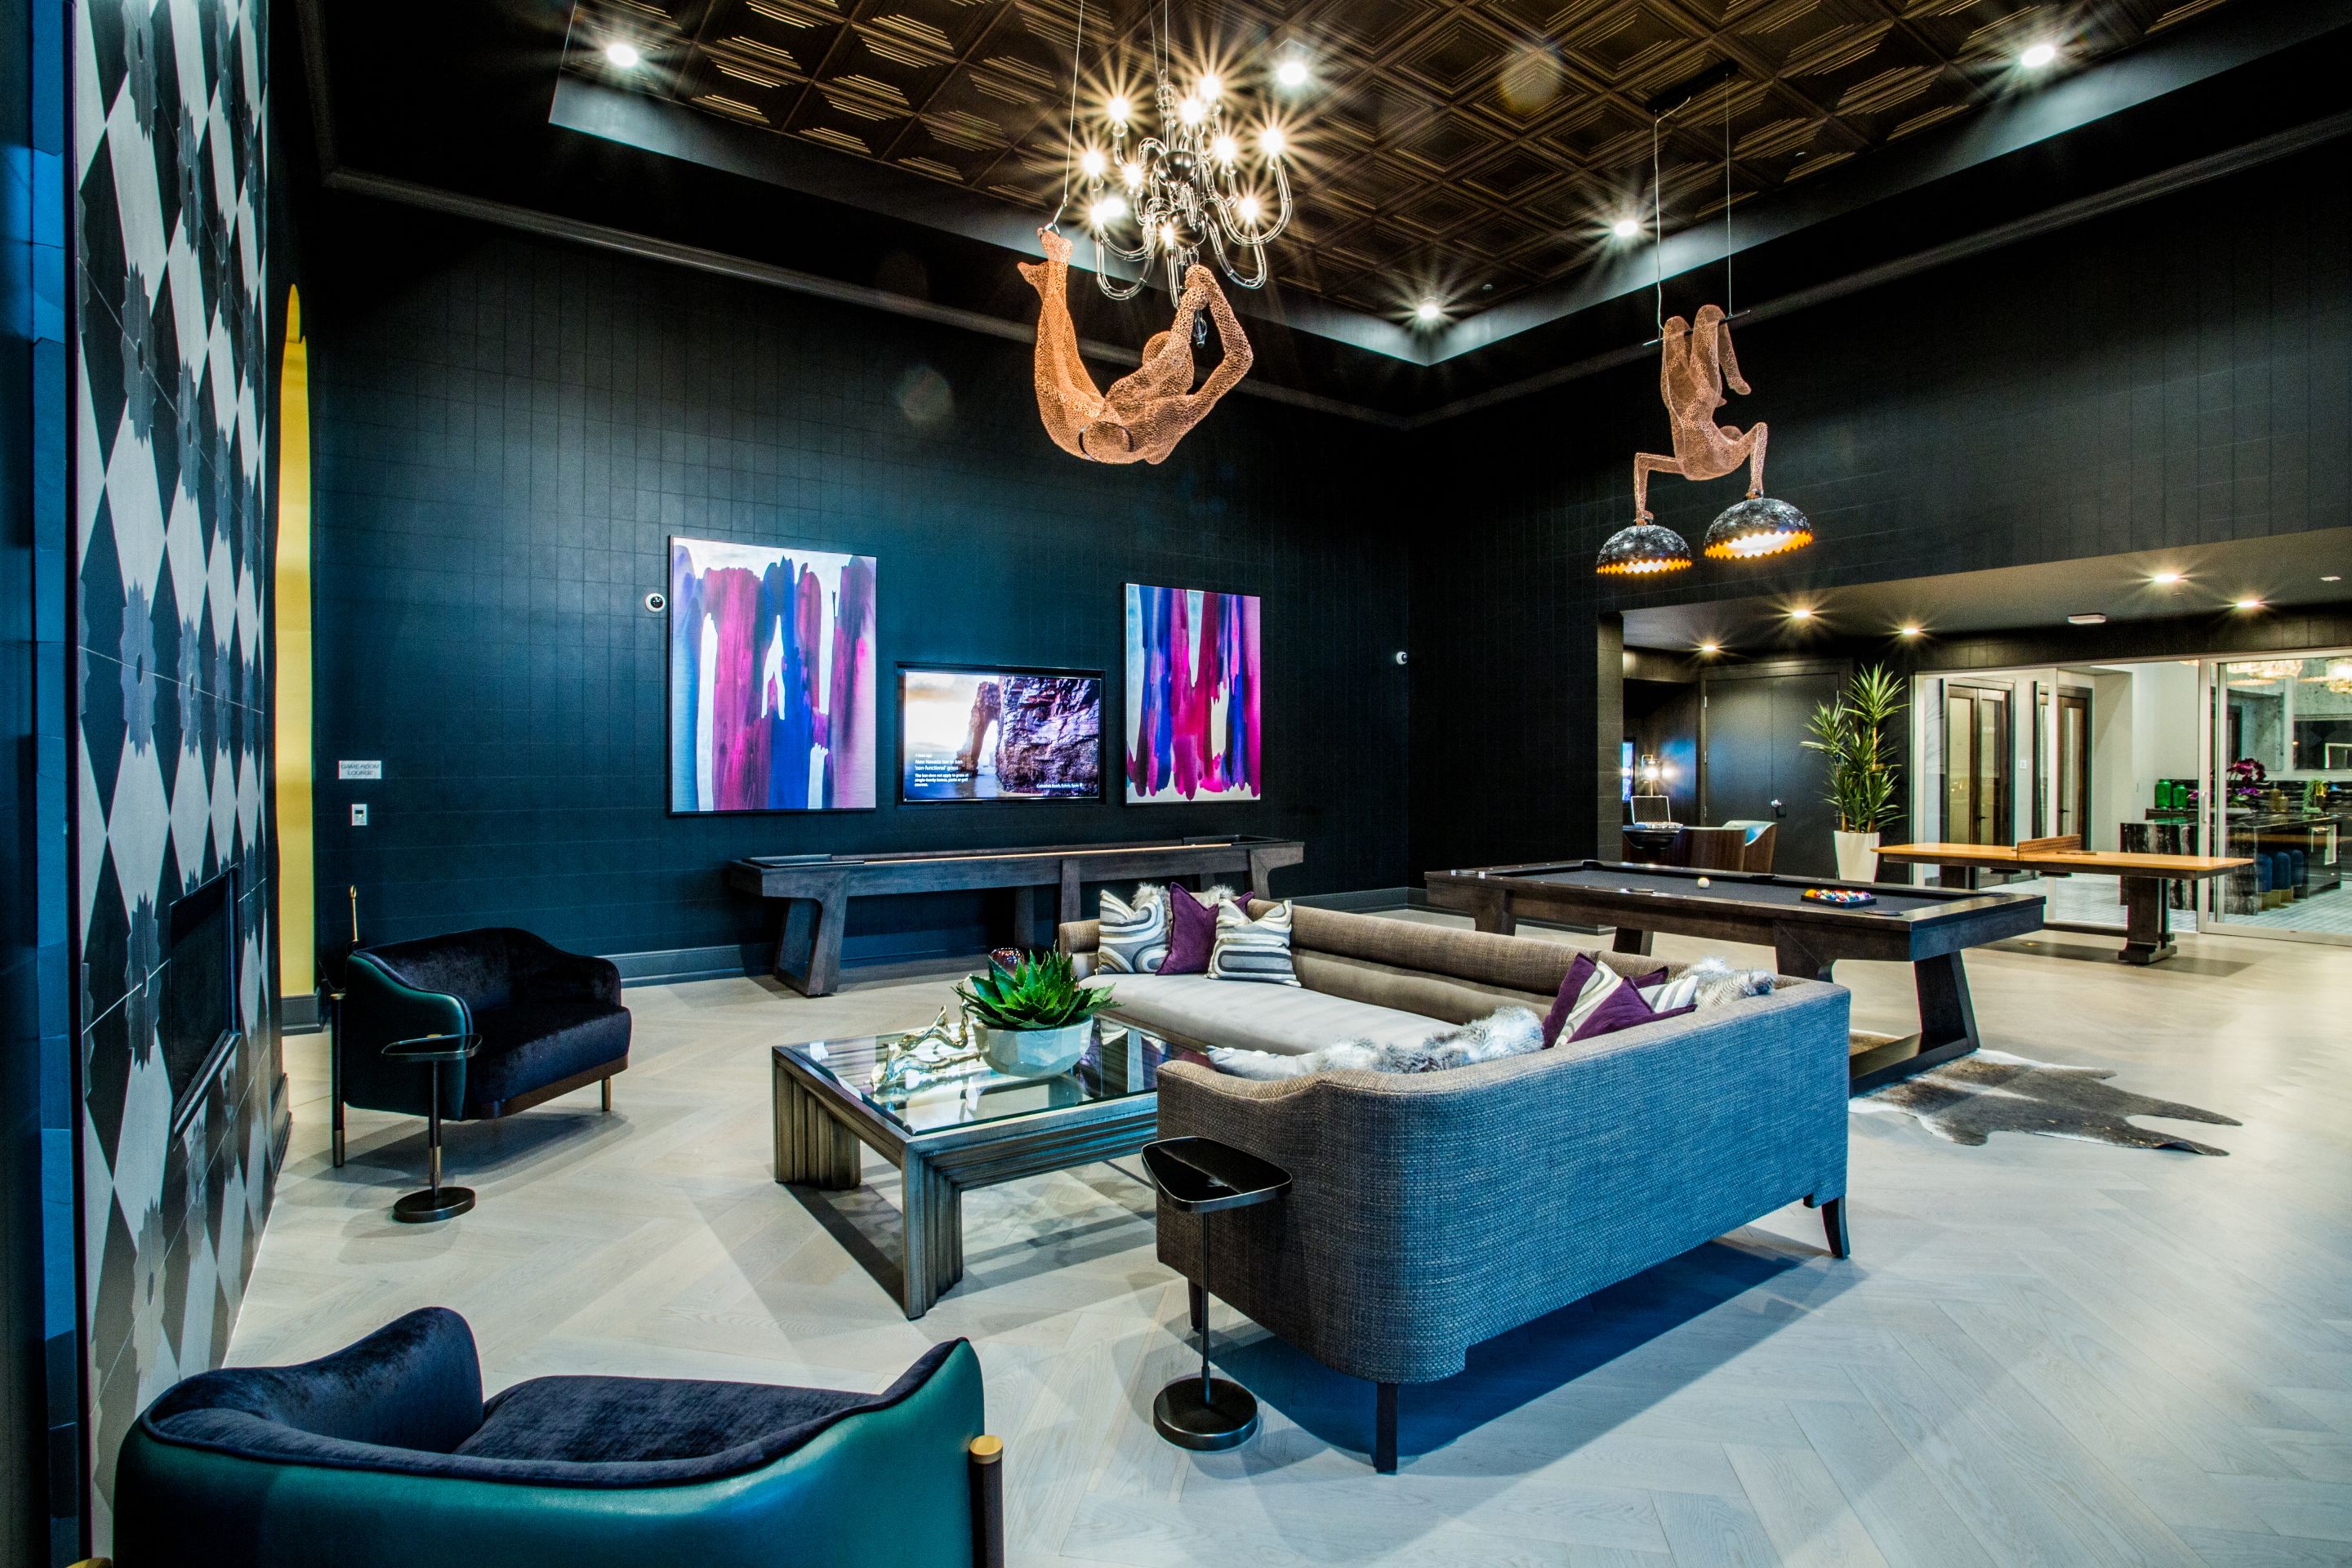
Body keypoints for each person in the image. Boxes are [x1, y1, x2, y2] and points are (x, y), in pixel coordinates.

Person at [1018, 226, 1254, 465]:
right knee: (1062, 358)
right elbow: (1240, 358)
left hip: (1082, 433)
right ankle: (1048, 278)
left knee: (1057, 361)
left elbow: (1175, 358)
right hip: (1095, 433)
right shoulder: (1186, 410)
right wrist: (1210, 288)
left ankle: (1056, 265)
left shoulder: (1125, 396)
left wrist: (1193, 300)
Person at [1633, 303, 1767, 519]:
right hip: (1679, 400)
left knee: (1693, 318)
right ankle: (1733, 378)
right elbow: (1642, 461)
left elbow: (1760, 429)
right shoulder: (1700, 464)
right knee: (1680, 323)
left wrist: (1756, 485)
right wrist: (1755, 486)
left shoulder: (1728, 455)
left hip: (1689, 399)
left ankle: (1733, 377)